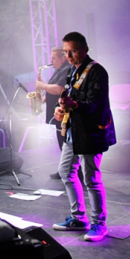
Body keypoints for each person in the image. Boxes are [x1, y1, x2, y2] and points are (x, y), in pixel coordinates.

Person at [52, 31, 116, 242]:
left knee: (91, 179)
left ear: (85, 49)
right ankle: (78, 218)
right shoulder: (72, 71)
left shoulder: (97, 72)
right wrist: (61, 111)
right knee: (66, 172)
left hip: (91, 133)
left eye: (73, 51)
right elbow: (70, 99)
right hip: (74, 131)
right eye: (66, 52)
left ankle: (100, 224)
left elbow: (95, 105)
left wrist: (75, 105)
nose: (69, 56)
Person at [34, 46, 72, 179]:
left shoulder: (66, 69)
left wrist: (42, 86)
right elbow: (53, 90)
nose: (51, 61)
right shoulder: (58, 70)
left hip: (63, 113)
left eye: (53, 58)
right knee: (62, 143)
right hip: (57, 113)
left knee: (66, 144)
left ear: (62, 59)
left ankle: (69, 171)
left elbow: (59, 89)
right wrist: (44, 98)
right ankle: (64, 169)